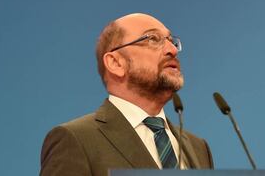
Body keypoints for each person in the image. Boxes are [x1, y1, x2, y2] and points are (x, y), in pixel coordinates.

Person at [40, 13, 213, 176]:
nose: (172, 50)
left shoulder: (199, 148)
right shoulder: (76, 140)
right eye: (153, 39)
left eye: (171, 41)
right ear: (115, 63)